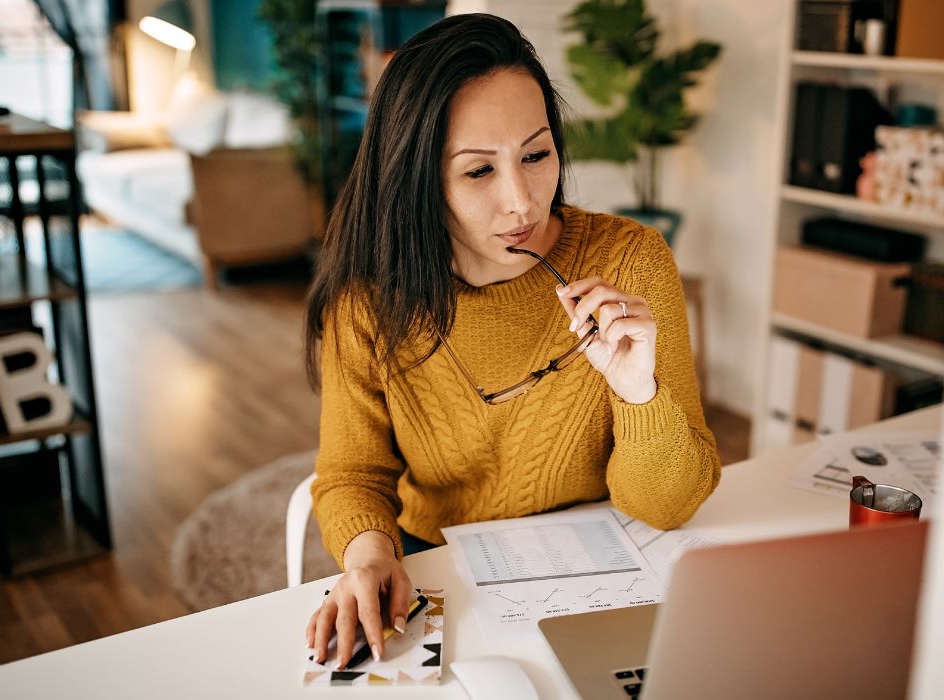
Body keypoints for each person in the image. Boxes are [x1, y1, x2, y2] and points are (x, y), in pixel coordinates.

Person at [303, 13, 720, 668]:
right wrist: (369, 557)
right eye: (477, 172)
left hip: (607, 560)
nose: (522, 203)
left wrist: (639, 392)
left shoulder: (631, 261)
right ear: (416, 181)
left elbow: (667, 507)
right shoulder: (367, 303)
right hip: (436, 565)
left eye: (536, 155)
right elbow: (354, 473)